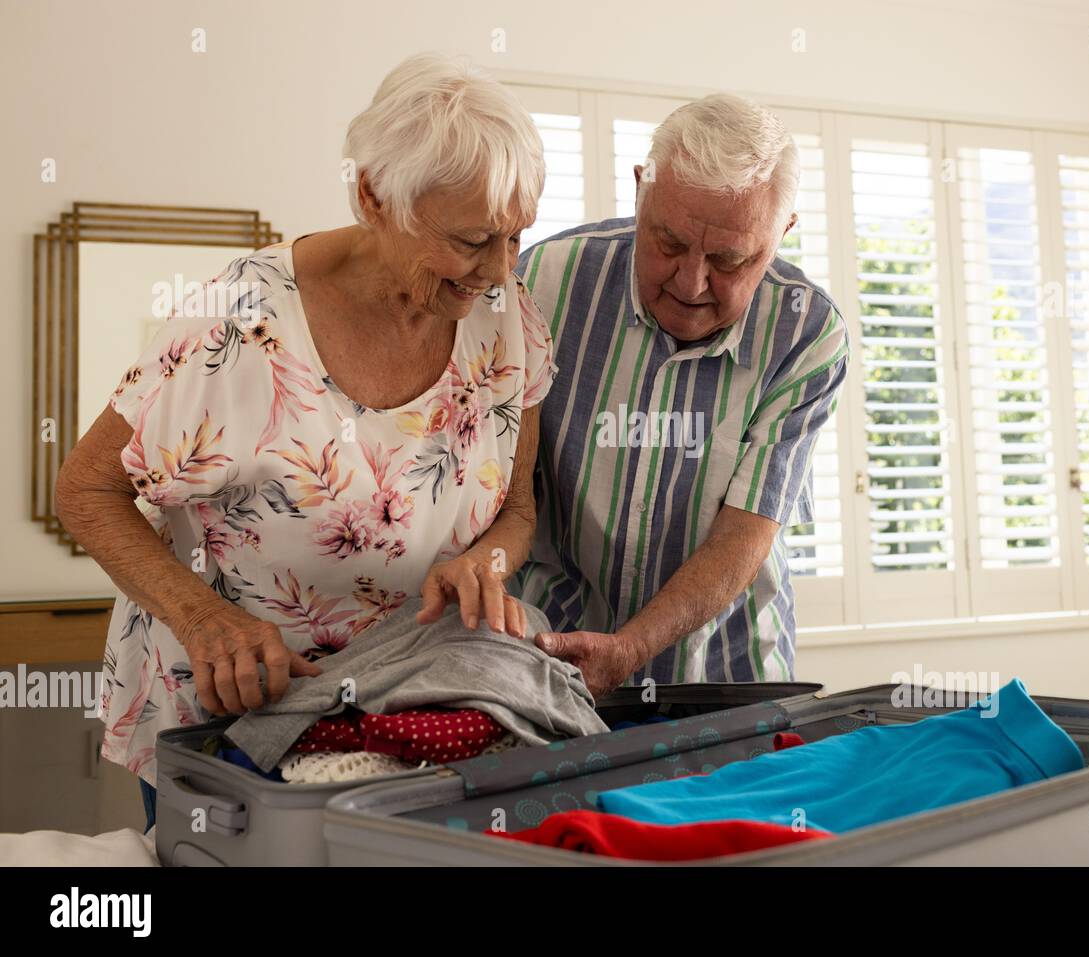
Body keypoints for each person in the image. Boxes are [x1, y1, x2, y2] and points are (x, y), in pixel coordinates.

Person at [54, 53, 555, 828]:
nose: (498, 271)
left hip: (402, 711)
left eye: (517, 237)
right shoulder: (239, 323)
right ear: (372, 196)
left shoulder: (506, 320)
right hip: (226, 715)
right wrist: (203, 618)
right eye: (472, 240)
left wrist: (480, 561)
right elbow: (86, 488)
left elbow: (516, 512)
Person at [514, 93, 849, 696]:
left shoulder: (807, 331)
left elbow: (746, 531)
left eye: (728, 259)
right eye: (668, 242)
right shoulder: (541, 282)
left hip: (728, 669)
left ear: (783, 233)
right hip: (549, 656)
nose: (692, 282)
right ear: (640, 189)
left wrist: (632, 648)